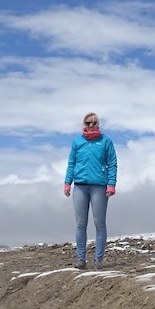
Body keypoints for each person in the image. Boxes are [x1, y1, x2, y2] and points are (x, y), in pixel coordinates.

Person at [64, 111, 117, 269]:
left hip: (99, 187)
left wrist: (111, 184)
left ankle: (98, 260)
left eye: (94, 122)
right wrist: (67, 183)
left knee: (99, 223)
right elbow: (71, 163)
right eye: (88, 122)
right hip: (80, 186)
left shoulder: (106, 141)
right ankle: (81, 260)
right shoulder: (77, 142)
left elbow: (112, 164)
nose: (91, 125)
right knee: (80, 224)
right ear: (84, 124)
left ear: (98, 124)